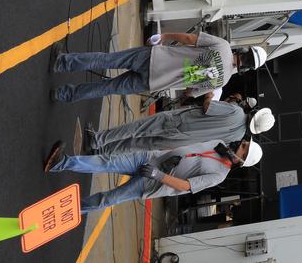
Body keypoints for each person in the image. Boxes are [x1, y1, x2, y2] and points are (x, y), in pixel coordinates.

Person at [44, 139, 261, 213]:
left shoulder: (218, 175)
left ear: (240, 161)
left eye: (243, 147)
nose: (240, 144)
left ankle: (72, 210)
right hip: (151, 158)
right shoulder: (218, 145)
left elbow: (187, 186)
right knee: (107, 161)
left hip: (153, 180)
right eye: (244, 143)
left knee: (108, 198)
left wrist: (157, 175)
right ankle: (61, 163)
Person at [51, 32, 267, 103]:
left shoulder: (223, 46)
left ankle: (63, 62)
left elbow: (189, 38)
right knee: (108, 89)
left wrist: (164, 36)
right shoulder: (222, 81)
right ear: (247, 68)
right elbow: (190, 91)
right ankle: (63, 95)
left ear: (245, 52)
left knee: (108, 60)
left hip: (155, 57)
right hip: (154, 81)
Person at [84, 99, 275, 156]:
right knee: (139, 144)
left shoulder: (235, 111)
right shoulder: (238, 135)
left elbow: (208, 106)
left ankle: (98, 139)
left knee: (137, 128)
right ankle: (103, 150)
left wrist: (209, 92)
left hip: (178, 121)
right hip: (181, 140)